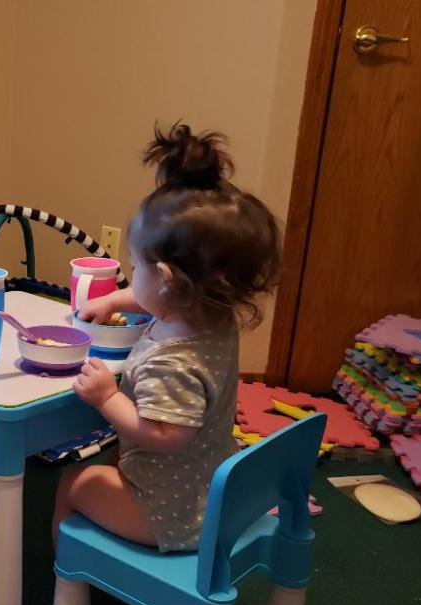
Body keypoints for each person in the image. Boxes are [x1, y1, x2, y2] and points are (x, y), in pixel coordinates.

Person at [52, 122, 281, 552]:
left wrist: (107, 397)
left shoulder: (172, 363)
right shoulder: (212, 316)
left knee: (72, 482)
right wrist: (115, 300)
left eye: (134, 266)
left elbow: (166, 436)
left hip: (172, 513)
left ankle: (71, 576)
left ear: (166, 279)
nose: (131, 274)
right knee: (115, 460)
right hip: (210, 490)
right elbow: (161, 300)